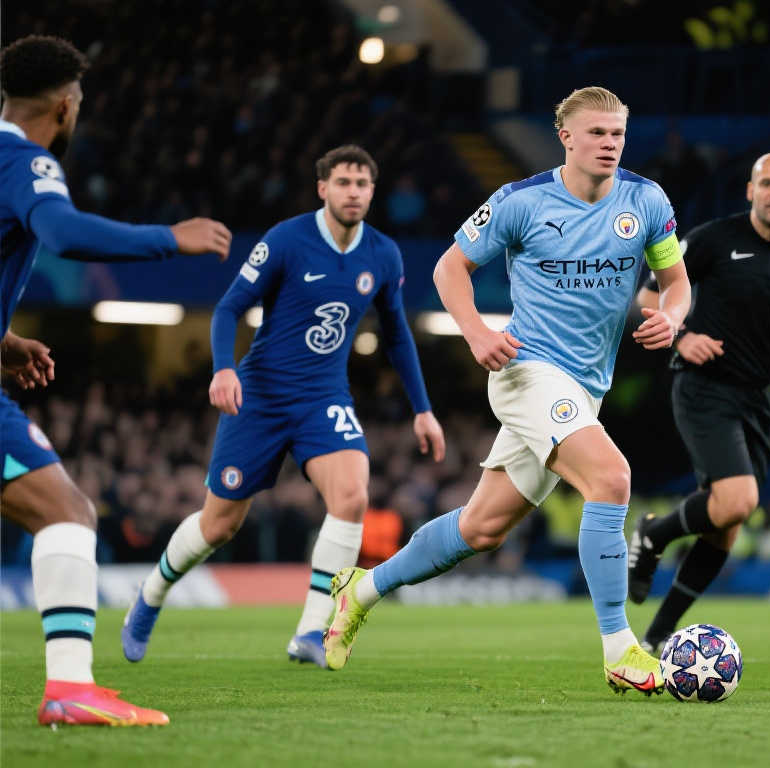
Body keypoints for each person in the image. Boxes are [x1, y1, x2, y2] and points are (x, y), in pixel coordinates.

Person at [321, 86, 691, 695]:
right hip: (527, 371)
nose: (609, 144)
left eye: (618, 134)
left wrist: (672, 317)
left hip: (585, 386)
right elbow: (449, 267)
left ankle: (360, 590)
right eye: (596, 133)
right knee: (612, 478)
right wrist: (476, 332)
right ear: (566, 137)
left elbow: (675, 281)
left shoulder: (646, 201)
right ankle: (620, 648)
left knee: (482, 529)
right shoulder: (521, 202)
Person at [121, 145, 445, 669]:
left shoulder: (383, 254)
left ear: (372, 191)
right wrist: (223, 368)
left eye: (362, 184)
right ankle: (151, 594)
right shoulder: (287, 240)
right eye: (343, 183)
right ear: (323, 188)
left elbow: (397, 335)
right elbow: (228, 308)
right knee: (218, 525)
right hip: (262, 397)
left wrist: (422, 409)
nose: (353, 193)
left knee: (352, 495)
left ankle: (311, 631)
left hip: (324, 397)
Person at [0, 35, 231, 726]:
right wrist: (170, 238)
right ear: (65, 106)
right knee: (65, 512)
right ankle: (69, 690)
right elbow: (64, 232)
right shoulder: (24, 161)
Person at [628, 152, 770, 653]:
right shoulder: (714, 239)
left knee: (727, 523)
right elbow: (648, 299)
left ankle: (656, 636)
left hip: (756, 398)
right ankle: (654, 534)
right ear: (751, 191)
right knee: (739, 500)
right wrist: (682, 337)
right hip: (703, 386)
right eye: (768, 183)